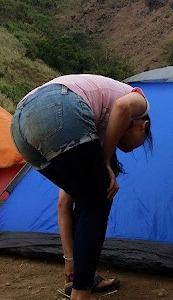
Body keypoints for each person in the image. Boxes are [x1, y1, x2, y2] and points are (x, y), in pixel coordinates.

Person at [11, 74, 152, 300]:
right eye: (140, 143)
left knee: (87, 198)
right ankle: (81, 293)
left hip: (21, 124)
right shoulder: (141, 103)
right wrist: (105, 162)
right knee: (100, 197)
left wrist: (70, 261)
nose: (133, 149)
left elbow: (64, 203)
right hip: (58, 107)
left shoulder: (88, 130)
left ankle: (83, 277)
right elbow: (123, 106)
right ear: (142, 126)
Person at [58, 150, 123, 296]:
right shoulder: (79, 157)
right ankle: (81, 287)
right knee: (90, 210)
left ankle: (85, 280)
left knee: (85, 208)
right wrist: (69, 259)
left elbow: (63, 205)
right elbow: (63, 204)